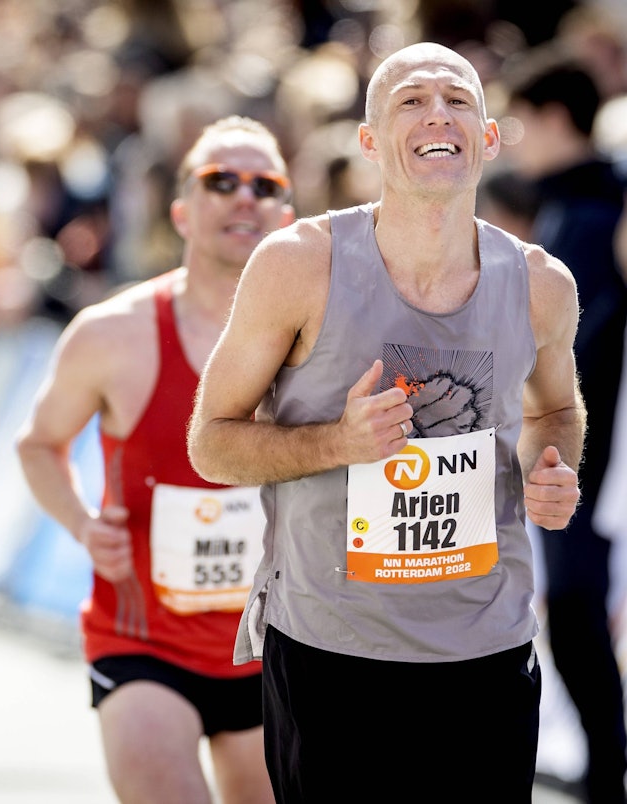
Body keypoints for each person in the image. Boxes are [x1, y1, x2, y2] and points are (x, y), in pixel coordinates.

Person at [187, 42, 584, 804]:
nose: (438, 113)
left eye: (458, 100)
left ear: (489, 137)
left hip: (487, 651)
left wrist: (551, 466)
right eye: (411, 100)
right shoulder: (300, 264)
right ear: (370, 142)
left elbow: (556, 409)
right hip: (333, 652)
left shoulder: (540, 283)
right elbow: (212, 441)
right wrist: (339, 442)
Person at [16, 115, 293, 804]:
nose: (244, 197)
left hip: (272, 645)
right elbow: (39, 445)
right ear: (181, 211)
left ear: (287, 213)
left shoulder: (316, 341)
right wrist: (84, 527)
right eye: (220, 181)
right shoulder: (115, 334)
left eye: (265, 185)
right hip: (143, 645)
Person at [502, 48, 627, 804]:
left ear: (555, 119)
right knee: (575, 615)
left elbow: (577, 350)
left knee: (579, 612)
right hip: (583, 450)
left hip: (594, 453)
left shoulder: (590, 211)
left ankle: (608, 774)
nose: (516, 139)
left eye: (521, 122)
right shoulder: (575, 204)